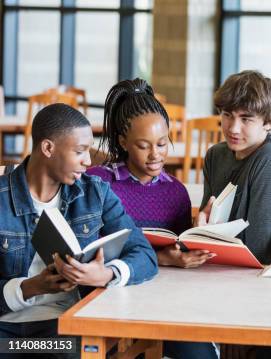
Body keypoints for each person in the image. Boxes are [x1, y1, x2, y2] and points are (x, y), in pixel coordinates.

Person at [0, 104, 158, 357]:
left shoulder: (96, 192)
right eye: (80, 151)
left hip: (64, 326)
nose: (88, 160)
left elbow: (144, 254)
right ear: (48, 148)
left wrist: (105, 274)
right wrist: (31, 287)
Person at [88, 78, 214, 269]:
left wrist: (197, 233)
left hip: (163, 287)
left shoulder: (176, 191)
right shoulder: (98, 182)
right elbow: (88, 251)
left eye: (162, 143)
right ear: (123, 142)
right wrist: (159, 257)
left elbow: (180, 248)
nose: (155, 154)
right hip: (110, 286)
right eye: (143, 146)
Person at [198, 70, 271, 265]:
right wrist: (199, 230)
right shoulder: (215, 155)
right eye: (227, 115)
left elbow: (260, 250)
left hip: (259, 274)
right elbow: (206, 225)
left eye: (246, 119)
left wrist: (206, 238)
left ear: (270, 122)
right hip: (222, 266)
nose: (233, 128)